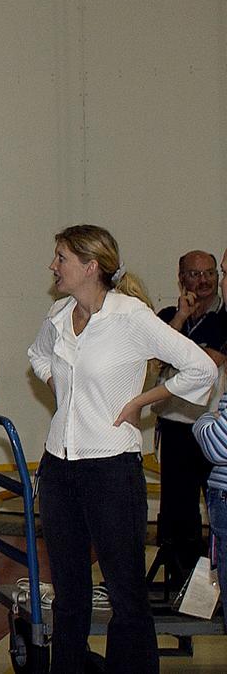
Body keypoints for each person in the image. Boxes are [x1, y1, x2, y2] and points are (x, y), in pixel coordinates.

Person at [28, 225, 216, 674]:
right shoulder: (58, 313)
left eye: (61, 258)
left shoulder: (131, 316)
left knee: (126, 591)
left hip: (111, 469)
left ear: (91, 266)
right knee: (69, 592)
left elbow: (201, 367)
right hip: (59, 467)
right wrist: (61, 387)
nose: (53, 266)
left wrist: (142, 401)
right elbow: (37, 355)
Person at [152, 250, 227, 590]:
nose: (204, 280)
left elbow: (207, 365)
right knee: (177, 510)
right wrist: (179, 320)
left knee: (214, 507)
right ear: (181, 278)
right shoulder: (168, 316)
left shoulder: (225, 318)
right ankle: (180, 583)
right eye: (195, 274)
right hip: (174, 426)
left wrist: (175, 355)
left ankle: (207, 586)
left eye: (211, 273)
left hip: (212, 430)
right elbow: (151, 357)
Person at [190, 250, 227, 630]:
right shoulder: (175, 315)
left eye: (218, 273)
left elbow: (220, 444)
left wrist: (205, 421)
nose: (214, 281)